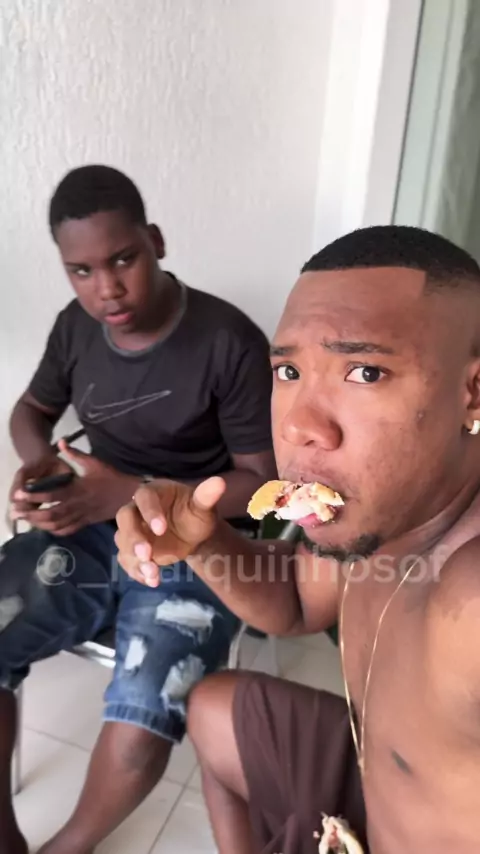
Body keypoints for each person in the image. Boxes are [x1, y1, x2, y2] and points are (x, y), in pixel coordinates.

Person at [116, 224, 480, 854]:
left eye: (365, 371)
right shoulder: (379, 513)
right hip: (370, 779)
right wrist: (203, 542)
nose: (299, 426)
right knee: (213, 710)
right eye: (288, 370)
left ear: (472, 394)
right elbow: (294, 600)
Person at [0, 164, 276, 854]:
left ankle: (69, 848)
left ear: (155, 241)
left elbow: (262, 484)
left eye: (122, 259)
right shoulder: (76, 328)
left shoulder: (228, 341)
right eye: (81, 271)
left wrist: (129, 489)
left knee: (143, 711)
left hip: (199, 545)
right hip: (94, 529)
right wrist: (40, 464)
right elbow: (31, 410)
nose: (107, 289)